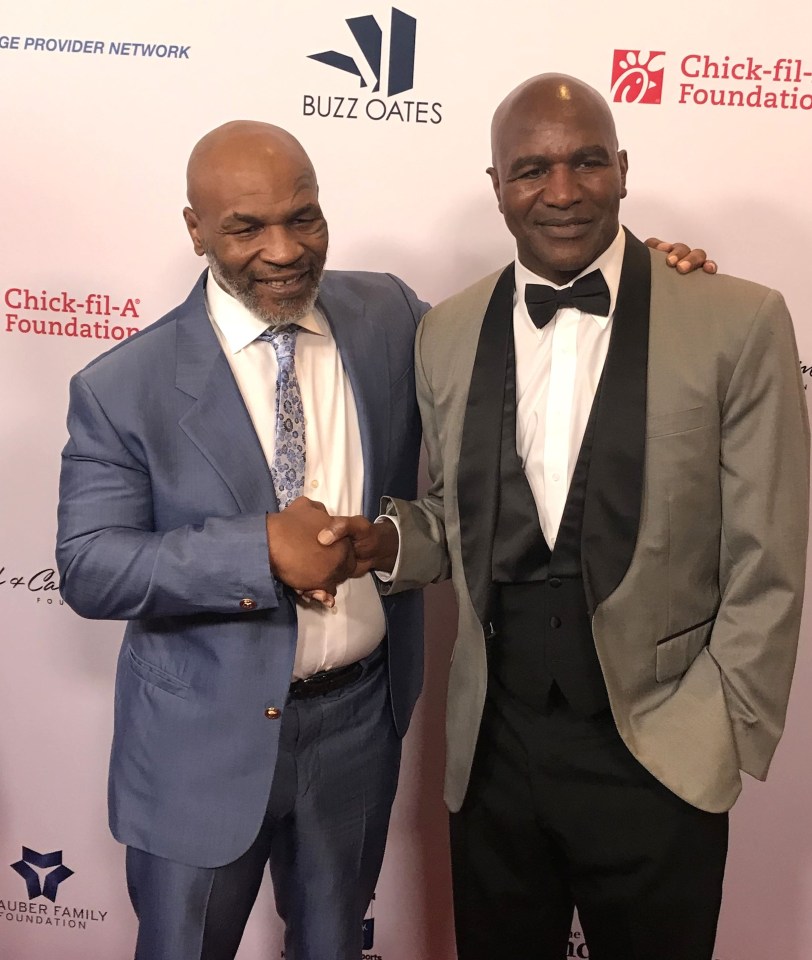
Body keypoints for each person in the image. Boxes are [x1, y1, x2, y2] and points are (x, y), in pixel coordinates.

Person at [320, 74, 810, 959]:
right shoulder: (449, 329)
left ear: (623, 169)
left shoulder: (737, 321)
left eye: (587, 161)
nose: (562, 189)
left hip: (660, 748)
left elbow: (769, 557)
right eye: (532, 168)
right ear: (497, 185)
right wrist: (388, 542)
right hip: (494, 751)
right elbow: (456, 519)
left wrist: (718, 730)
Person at [56, 120, 428, 960]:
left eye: (305, 217)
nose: (284, 249)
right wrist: (259, 549)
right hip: (197, 747)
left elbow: (510, 349)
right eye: (247, 227)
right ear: (195, 229)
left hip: (358, 726)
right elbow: (89, 565)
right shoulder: (123, 386)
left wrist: (631, 269)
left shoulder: (390, 315)